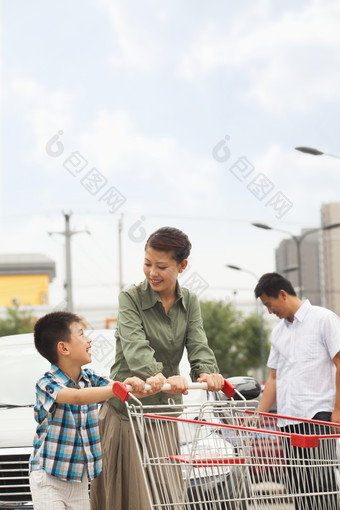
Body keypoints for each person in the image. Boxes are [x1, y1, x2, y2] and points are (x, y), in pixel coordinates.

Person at [90, 226, 224, 510]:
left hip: (163, 413)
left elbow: (198, 343)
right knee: (124, 498)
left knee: (168, 496)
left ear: (182, 266)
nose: (152, 272)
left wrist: (206, 372)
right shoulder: (131, 298)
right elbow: (135, 346)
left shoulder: (190, 302)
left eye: (162, 266)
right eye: (147, 264)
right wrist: (156, 375)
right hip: (125, 410)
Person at [29, 311, 145, 510]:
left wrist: (139, 385)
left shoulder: (90, 378)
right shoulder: (46, 383)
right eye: (82, 335)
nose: (89, 340)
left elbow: (121, 391)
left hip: (79, 480)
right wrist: (118, 389)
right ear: (63, 348)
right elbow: (76, 397)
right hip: (48, 477)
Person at [255, 272, 340, 509]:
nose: (269, 311)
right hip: (288, 421)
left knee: (320, 487)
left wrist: (337, 411)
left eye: (269, 305)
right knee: (299, 488)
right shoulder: (278, 333)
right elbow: (273, 377)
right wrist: (258, 416)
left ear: (282, 294)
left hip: (318, 417)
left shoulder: (324, 319)